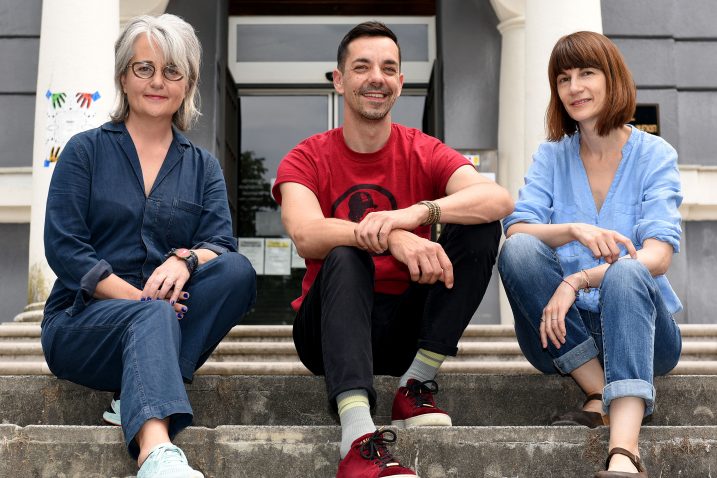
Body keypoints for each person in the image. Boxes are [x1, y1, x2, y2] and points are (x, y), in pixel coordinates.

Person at [273, 21, 513, 478]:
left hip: (406, 327)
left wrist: (415, 216)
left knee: (482, 227)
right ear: (339, 79)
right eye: (362, 67)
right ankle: (358, 439)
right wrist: (391, 238)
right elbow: (306, 232)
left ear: (400, 83)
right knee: (345, 253)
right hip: (328, 332)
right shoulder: (307, 156)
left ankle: (416, 383)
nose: (376, 78)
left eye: (388, 68)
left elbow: (498, 198)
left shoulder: (422, 149)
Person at [40, 14, 256, 478]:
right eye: (144, 69)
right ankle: (156, 454)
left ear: (188, 83)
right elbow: (64, 248)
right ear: (123, 76)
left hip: (168, 319)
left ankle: (139, 391)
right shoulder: (85, 151)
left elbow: (221, 242)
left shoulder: (202, 166)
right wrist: (138, 301)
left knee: (237, 272)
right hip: (81, 324)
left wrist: (187, 259)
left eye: (172, 71)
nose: (158, 82)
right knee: (154, 313)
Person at [498, 31, 682, 478]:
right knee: (519, 250)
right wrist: (573, 229)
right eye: (563, 78)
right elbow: (518, 227)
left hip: (645, 332)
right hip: (562, 332)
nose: (574, 87)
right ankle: (599, 390)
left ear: (612, 78)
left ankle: (624, 451)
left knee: (627, 270)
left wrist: (576, 279)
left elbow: (657, 255)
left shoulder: (654, 155)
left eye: (587, 73)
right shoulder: (551, 156)